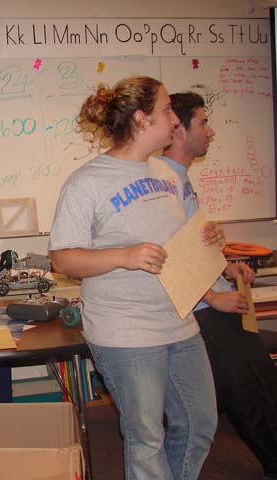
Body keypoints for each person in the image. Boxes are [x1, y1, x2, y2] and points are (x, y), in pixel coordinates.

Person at [48, 76, 218, 480]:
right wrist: (123, 256)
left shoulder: (168, 174)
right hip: (126, 332)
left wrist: (208, 238)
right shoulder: (87, 182)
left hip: (179, 322)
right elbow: (63, 258)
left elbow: (177, 242)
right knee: (146, 440)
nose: (173, 119)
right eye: (166, 109)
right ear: (142, 119)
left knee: (199, 424)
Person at [161, 91, 277, 480]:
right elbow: (165, 257)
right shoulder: (164, 183)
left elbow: (191, 246)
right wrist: (212, 298)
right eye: (203, 122)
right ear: (179, 129)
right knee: (249, 395)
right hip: (203, 311)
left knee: (259, 387)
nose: (210, 131)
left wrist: (226, 266)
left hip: (216, 302)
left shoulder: (179, 178)